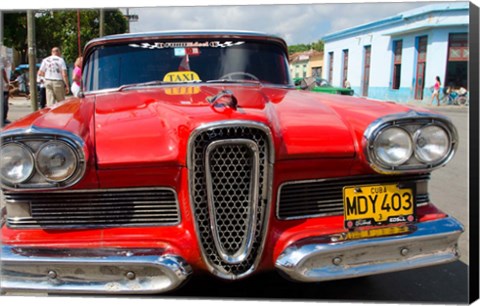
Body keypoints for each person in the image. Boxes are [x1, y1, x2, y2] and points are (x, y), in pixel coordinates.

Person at [1, 57, 10, 125]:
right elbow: (4, 74)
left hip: (3, 87)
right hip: (3, 87)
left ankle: (3, 118)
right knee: (4, 104)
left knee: (4, 104)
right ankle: (3, 118)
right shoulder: (2, 67)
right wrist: (7, 83)